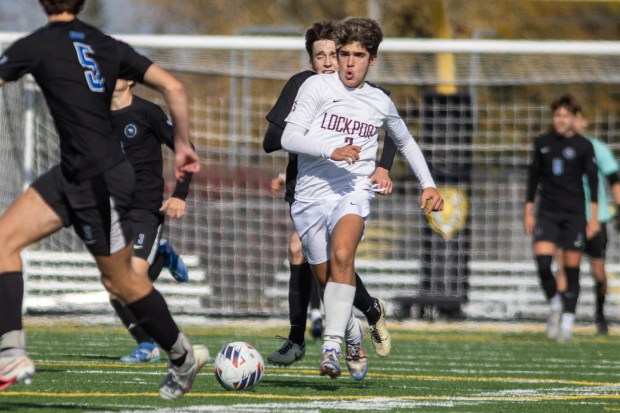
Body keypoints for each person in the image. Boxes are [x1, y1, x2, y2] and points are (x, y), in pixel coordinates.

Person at [0, 0, 207, 400]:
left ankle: (181, 357)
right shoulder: (105, 44)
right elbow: (174, 87)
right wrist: (182, 144)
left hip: (98, 178)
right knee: (4, 241)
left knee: (121, 281)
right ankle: (11, 351)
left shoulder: (37, 44)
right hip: (76, 172)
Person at [281, 17, 444, 379]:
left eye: (359, 55)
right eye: (343, 54)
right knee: (328, 281)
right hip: (309, 198)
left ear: (373, 59)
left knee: (343, 256)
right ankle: (354, 334)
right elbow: (289, 138)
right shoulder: (316, 88)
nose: (349, 62)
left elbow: (404, 141)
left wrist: (428, 184)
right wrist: (331, 149)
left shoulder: (379, 101)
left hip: (352, 191)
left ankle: (331, 348)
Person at [263, 20, 396, 371]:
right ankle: (364, 318)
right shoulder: (302, 87)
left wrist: (383, 167)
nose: (327, 62)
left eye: (331, 54)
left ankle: (303, 339)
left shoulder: (362, 91)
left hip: (346, 186)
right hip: (305, 184)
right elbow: (272, 140)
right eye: (319, 56)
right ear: (311, 61)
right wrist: (316, 144)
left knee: (332, 256)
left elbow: (394, 128)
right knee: (323, 269)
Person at [109, 78, 193, 363]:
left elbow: (184, 148)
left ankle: (149, 345)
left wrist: (179, 194)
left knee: (133, 277)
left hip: (146, 210)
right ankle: (146, 343)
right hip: (112, 213)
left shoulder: (147, 113)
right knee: (114, 286)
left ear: (130, 79)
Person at [523, 94, 599, 342]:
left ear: (573, 118)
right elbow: (533, 179)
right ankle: (555, 303)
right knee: (543, 262)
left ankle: (567, 321)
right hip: (547, 213)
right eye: (557, 115)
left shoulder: (583, 146)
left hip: (574, 214)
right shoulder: (543, 142)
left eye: (565, 116)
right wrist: (528, 211)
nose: (560, 120)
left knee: (571, 268)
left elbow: (594, 182)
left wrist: (594, 218)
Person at [555, 107, 620, 335]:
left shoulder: (597, 148)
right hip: (569, 217)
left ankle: (600, 314)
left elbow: (614, 179)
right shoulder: (558, 145)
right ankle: (564, 318)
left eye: (577, 118)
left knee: (599, 274)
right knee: (563, 267)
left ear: (585, 121)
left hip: (596, 219)